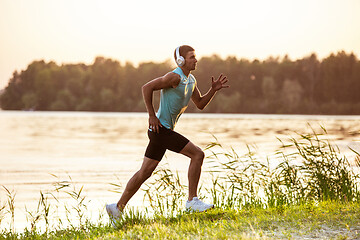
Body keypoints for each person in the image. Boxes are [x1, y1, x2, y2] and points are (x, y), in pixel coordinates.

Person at [106, 45, 229, 226]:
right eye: (191, 57)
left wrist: (213, 90)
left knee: (145, 172)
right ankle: (192, 201)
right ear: (181, 60)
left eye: (195, 57)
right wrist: (151, 115)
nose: (195, 60)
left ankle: (117, 208)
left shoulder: (191, 80)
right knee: (197, 154)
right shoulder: (174, 77)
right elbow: (146, 88)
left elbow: (200, 103)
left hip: (162, 132)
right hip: (160, 130)